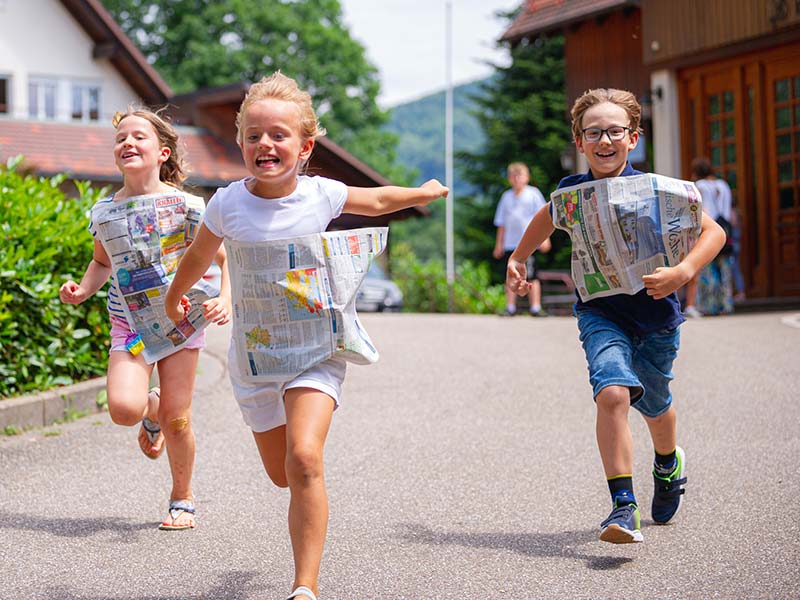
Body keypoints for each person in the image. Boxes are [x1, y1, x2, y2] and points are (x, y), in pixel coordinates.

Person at [163, 72, 447, 600]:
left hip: (317, 349)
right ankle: (304, 508)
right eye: (253, 135)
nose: (264, 145)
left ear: (305, 146)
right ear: (240, 141)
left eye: (278, 135)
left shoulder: (322, 195)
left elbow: (380, 200)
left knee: (306, 458)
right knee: (282, 474)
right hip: (256, 360)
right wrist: (173, 295)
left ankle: (304, 586)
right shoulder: (226, 204)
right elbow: (198, 256)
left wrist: (423, 192)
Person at [506, 88, 725, 544]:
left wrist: (684, 271)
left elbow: (714, 232)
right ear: (579, 141)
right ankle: (623, 507)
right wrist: (519, 258)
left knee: (656, 406)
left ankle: (668, 463)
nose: (604, 140)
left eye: (614, 131)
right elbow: (546, 219)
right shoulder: (571, 193)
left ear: (633, 138)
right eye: (593, 133)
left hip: (657, 316)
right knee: (611, 394)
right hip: (600, 313)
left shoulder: (658, 190)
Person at [59, 107, 231, 530]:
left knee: (178, 418)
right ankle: (148, 409)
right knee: (122, 408)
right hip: (131, 327)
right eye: (120, 138)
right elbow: (102, 263)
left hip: (181, 324)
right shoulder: (103, 212)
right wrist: (82, 289)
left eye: (138, 136)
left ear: (162, 152)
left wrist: (225, 297)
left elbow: (224, 258)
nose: (127, 143)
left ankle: (182, 497)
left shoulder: (188, 206)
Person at [493, 162, 551, 316]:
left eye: (520, 175)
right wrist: (498, 244)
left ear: (527, 177)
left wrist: (545, 239)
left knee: (532, 275)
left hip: (530, 244)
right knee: (511, 274)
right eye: (513, 175)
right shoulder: (506, 197)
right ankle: (510, 307)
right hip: (510, 243)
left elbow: (544, 217)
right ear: (509, 179)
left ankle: (535, 307)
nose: (517, 178)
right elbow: (501, 223)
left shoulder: (533, 194)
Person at [684, 157, 735, 316]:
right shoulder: (724, 185)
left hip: (709, 229)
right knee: (725, 269)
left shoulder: (700, 186)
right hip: (726, 229)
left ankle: (710, 305)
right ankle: (726, 305)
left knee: (708, 269)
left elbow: (701, 209)